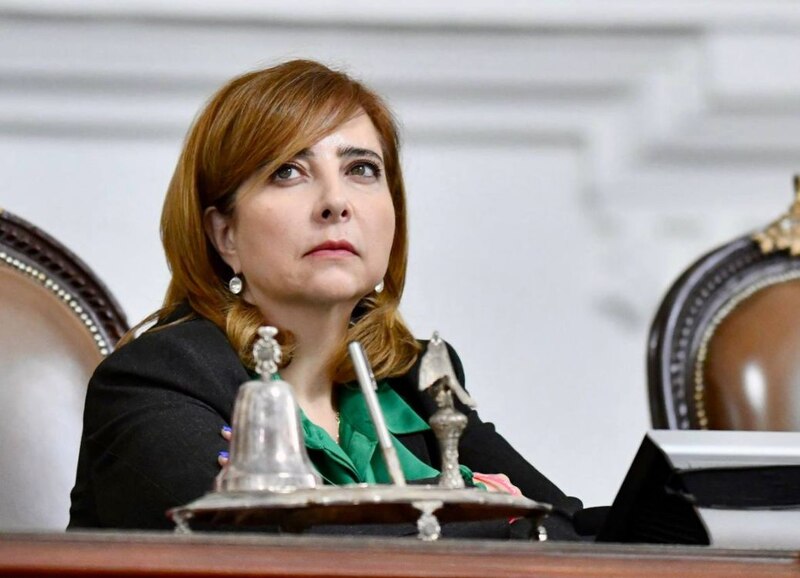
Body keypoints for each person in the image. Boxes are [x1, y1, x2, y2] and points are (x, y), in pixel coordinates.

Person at [68, 59, 584, 538]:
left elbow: (571, 527)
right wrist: (504, 524)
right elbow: (261, 554)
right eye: (287, 171)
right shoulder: (156, 379)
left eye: (361, 169)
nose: (336, 202)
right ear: (225, 234)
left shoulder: (414, 380)